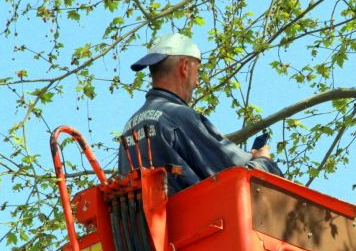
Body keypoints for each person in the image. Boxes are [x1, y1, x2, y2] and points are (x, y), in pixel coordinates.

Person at [118, 33, 282, 195]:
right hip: (187, 220)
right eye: (197, 72)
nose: (197, 83)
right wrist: (264, 162)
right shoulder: (179, 116)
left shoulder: (129, 128)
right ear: (185, 67)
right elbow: (236, 175)